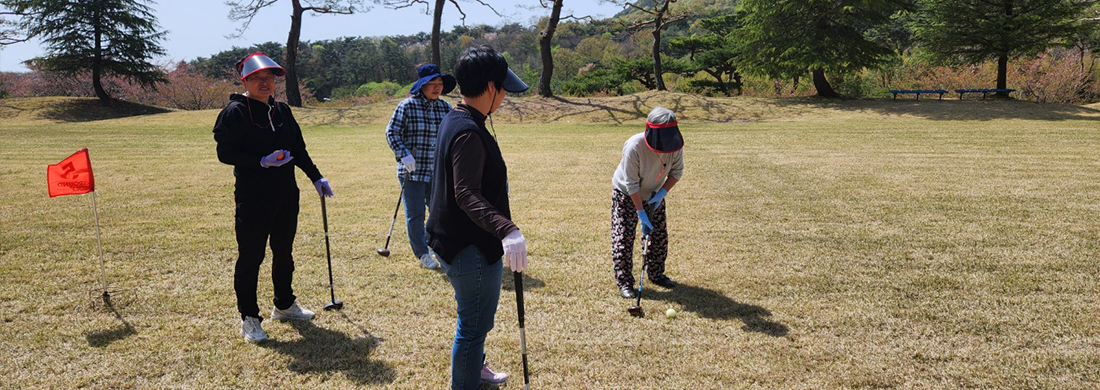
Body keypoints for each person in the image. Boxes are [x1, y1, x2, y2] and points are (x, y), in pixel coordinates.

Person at [212, 52, 335, 343]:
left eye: (269, 78)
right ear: (245, 80)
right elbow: (225, 153)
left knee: (284, 252)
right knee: (252, 256)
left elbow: (299, 149)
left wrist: (316, 177)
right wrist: (260, 161)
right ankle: (249, 318)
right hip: (253, 197)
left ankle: (283, 304)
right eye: (257, 78)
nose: (265, 83)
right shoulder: (235, 112)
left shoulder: (282, 111)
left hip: (285, 194)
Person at [426, 45, 529, 389]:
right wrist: (508, 229)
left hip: (455, 240)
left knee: (475, 325)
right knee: (472, 329)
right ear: (489, 88)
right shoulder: (469, 131)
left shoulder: (457, 117)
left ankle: (477, 367)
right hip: (469, 248)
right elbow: (466, 193)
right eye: (502, 88)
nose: (503, 97)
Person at [385, 63, 455, 270]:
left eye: (440, 83)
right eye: (431, 84)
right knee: (415, 214)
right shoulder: (406, 106)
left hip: (437, 172)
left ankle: (436, 246)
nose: (437, 88)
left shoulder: (445, 108)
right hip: (412, 171)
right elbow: (392, 133)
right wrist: (403, 154)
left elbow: (451, 136)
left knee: (438, 213)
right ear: (421, 86)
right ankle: (422, 253)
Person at [610, 106, 685, 299]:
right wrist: (641, 213)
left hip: (654, 194)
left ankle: (656, 274)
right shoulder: (634, 146)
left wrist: (661, 193)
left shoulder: (674, 146)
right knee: (623, 238)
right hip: (626, 194)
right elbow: (631, 184)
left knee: (658, 236)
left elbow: (676, 172)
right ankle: (625, 282)